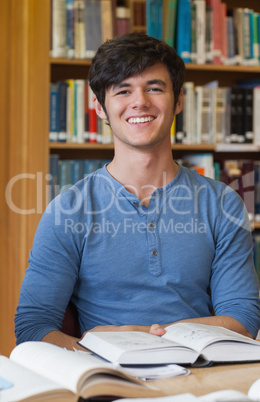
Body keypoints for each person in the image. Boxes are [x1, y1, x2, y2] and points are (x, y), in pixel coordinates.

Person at [15, 33, 260, 350]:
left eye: (154, 88)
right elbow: (32, 328)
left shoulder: (222, 203)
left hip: (203, 376)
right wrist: (97, 349)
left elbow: (243, 317)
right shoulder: (68, 210)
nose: (140, 101)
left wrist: (144, 337)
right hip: (108, 379)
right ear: (100, 107)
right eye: (123, 90)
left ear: (179, 100)